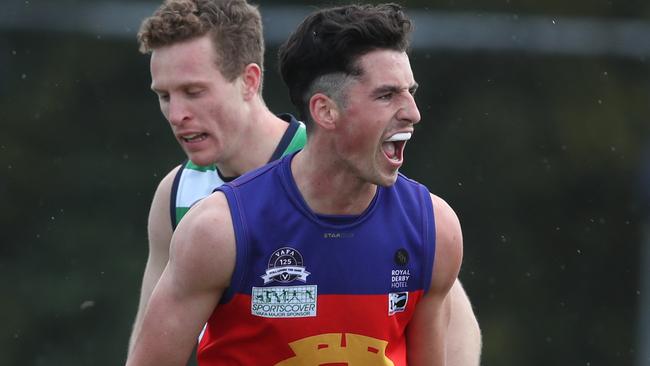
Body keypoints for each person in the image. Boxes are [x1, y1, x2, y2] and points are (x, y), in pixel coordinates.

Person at [128, 1, 481, 365]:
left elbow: (449, 319)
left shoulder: (365, 176)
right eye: (164, 96)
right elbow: (150, 343)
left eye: (193, 91)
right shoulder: (185, 197)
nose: (177, 114)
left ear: (250, 80)